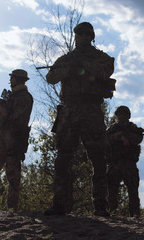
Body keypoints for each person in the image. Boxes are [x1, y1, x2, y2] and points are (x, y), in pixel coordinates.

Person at [44, 22, 115, 216]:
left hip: (91, 109)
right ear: (75, 36)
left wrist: (83, 65)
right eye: (79, 33)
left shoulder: (102, 57)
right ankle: (60, 204)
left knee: (98, 158)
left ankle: (100, 206)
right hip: (69, 110)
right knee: (62, 158)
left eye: (86, 34)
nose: (83, 36)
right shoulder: (66, 58)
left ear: (92, 37)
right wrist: (69, 69)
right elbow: (50, 78)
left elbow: (105, 72)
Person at [0, 69, 33, 210]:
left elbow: (11, 116)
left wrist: (1, 106)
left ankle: (12, 209)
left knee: (13, 176)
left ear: (17, 79)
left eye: (12, 78)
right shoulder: (13, 96)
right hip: (4, 137)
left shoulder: (24, 97)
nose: (10, 80)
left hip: (15, 139)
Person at [106, 106, 144, 217]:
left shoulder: (132, 127)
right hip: (115, 163)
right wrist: (117, 137)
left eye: (124, 114)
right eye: (120, 114)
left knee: (133, 190)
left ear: (128, 116)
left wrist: (125, 136)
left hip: (129, 163)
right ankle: (112, 212)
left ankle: (135, 214)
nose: (122, 116)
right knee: (112, 191)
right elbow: (105, 140)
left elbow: (138, 139)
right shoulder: (113, 129)